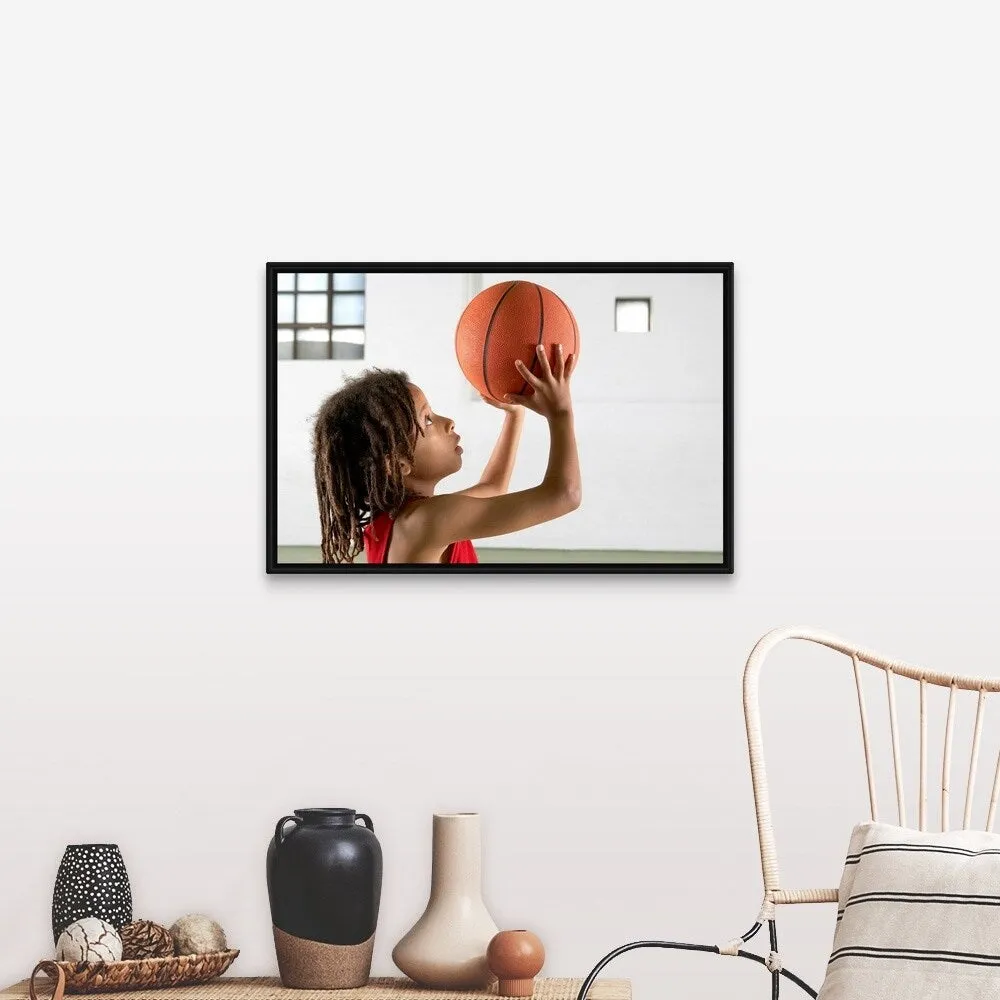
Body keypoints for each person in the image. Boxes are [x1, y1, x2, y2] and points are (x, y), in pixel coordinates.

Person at [312, 343, 580, 564]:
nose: (448, 421)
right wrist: (561, 413)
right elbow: (565, 496)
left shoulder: (396, 520)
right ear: (398, 463)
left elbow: (493, 487)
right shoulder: (430, 520)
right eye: (427, 419)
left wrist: (515, 414)